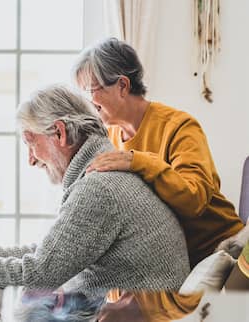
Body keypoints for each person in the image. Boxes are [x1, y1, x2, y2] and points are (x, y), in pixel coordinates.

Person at [0, 84, 190, 322]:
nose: (31, 159)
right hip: (116, 306)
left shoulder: (98, 187)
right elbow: (49, 255)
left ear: (59, 134)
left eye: (30, 143)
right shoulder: (99, 174)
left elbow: (38, 274)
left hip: (131, 314)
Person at [72, 37, 245, 321]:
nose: (88, 103)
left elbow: (194, 199)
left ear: (122, 86)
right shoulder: (110, 138)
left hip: (211, 252)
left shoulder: (179, 127)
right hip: (157, 265)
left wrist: (136, 160)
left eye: (91, 90)